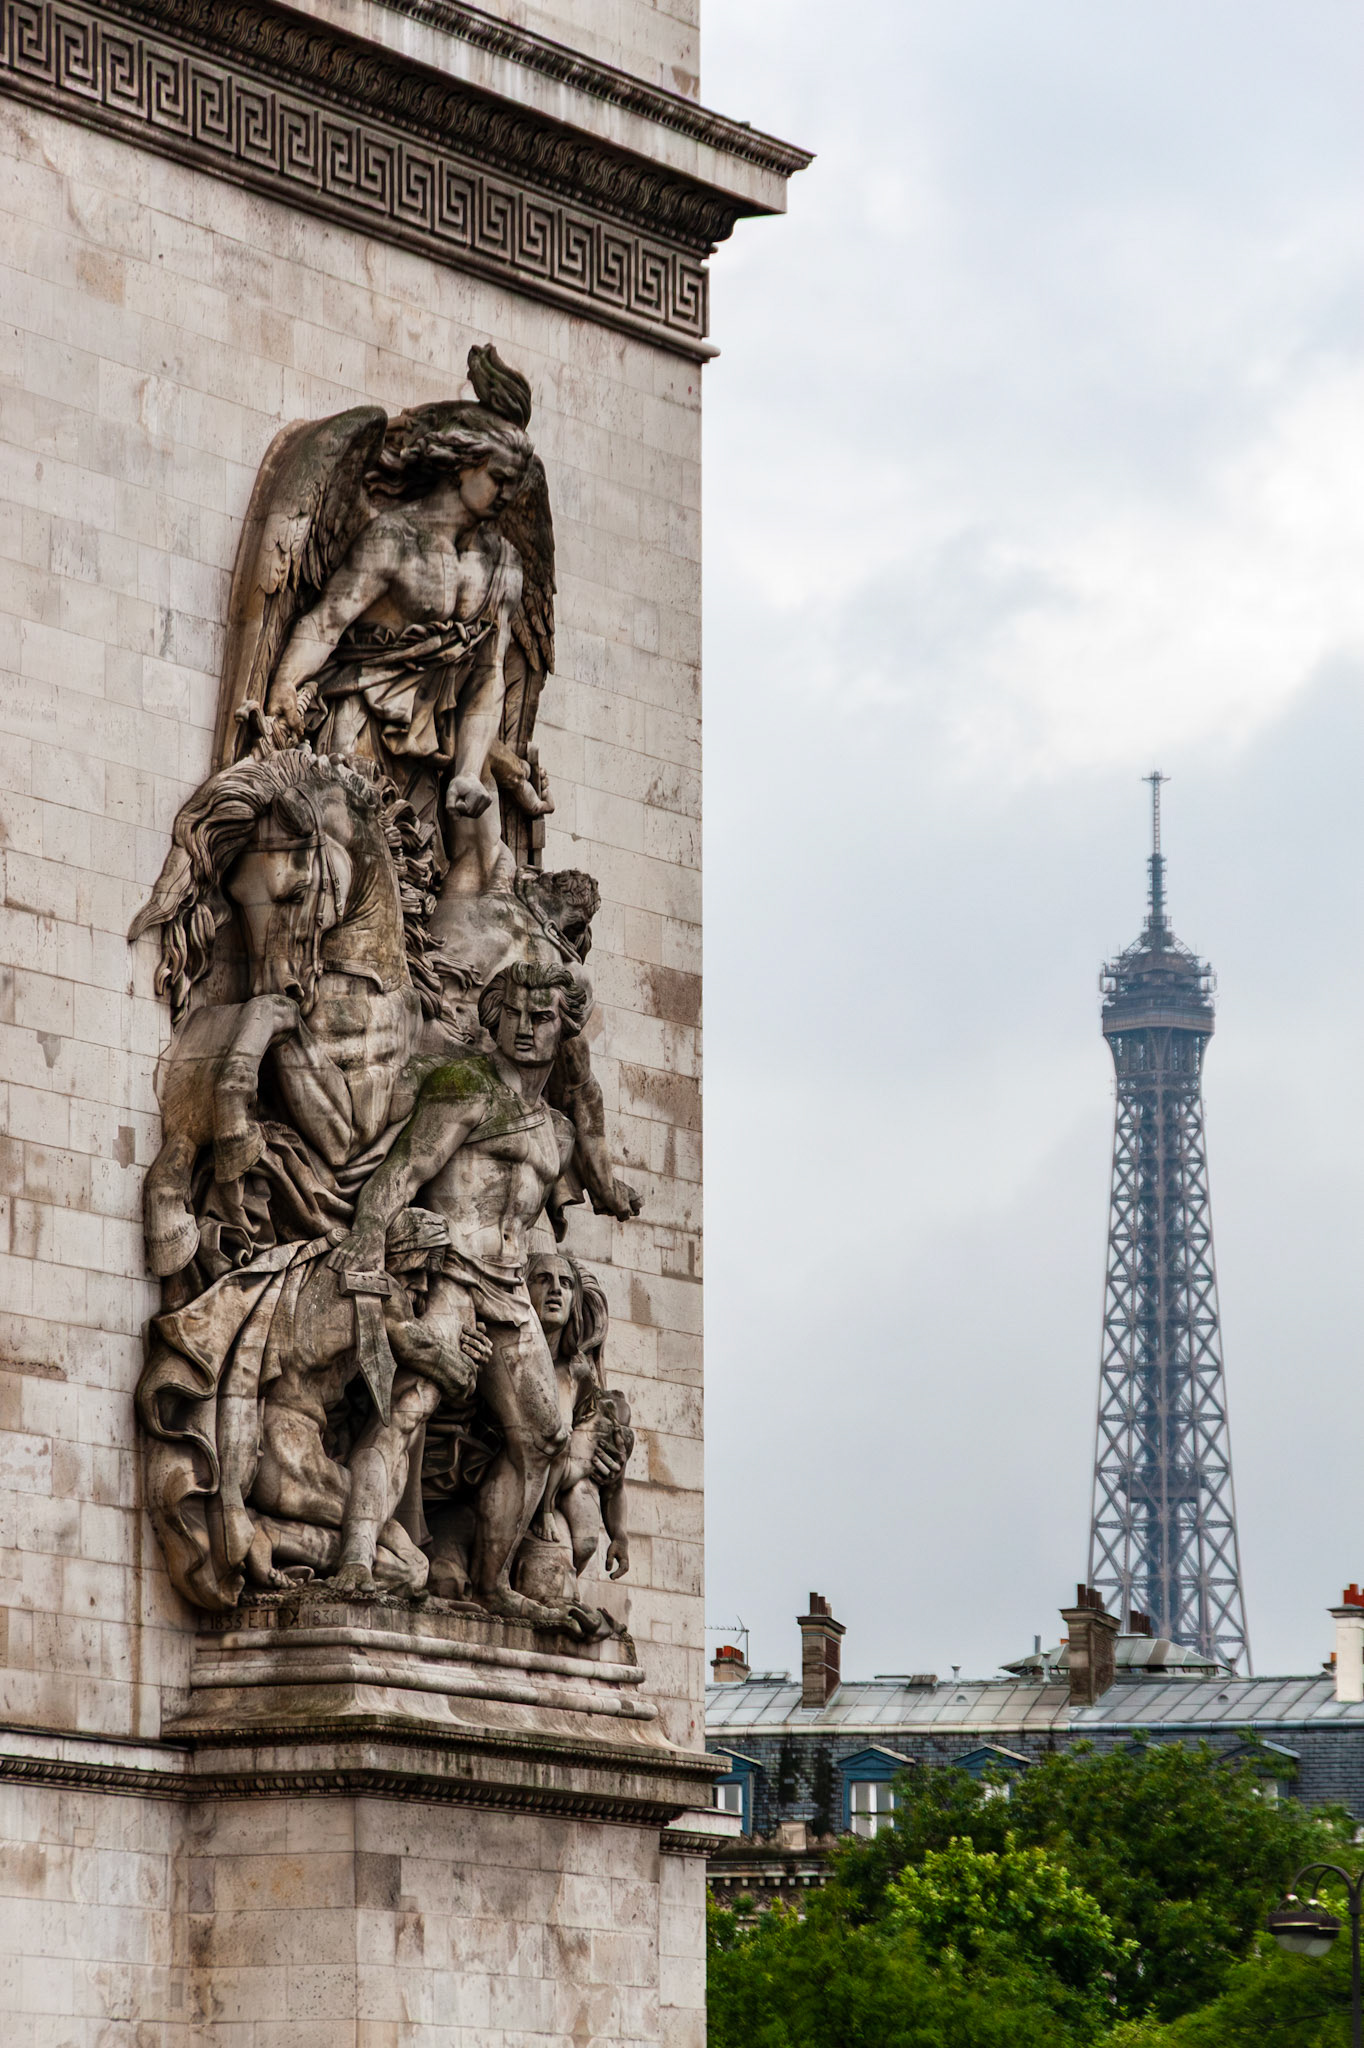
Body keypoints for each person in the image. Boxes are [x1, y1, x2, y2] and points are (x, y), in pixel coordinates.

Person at [324, 948, 587, 1624]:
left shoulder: (554, 1128)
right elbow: (405, 1171)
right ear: (493, 1022)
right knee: (406, 1409)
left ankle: (493, 1582)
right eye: (515, 1016)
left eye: (543, 1017)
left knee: (546, 1439)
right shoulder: (468, 1086)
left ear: (563, 1029)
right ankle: (355, 1557)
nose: (527, 1028)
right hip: (451, 1274)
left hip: (510, 1289)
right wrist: (368, 1244)